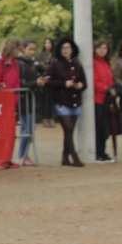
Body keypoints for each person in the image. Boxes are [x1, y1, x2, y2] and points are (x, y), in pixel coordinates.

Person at [46, 38, 86, 167]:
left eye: (68, 48)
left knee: (69, 131)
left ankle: (65, 156)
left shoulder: (77, 64)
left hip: (75, 100)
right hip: (61, 101)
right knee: (68, 128)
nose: (65, 50)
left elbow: (84, 82)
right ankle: (74, 155)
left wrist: (80, 85)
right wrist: (64, 83)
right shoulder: (55, 64)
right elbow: (49, 81)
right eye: (63, 48)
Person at [16, 39, 49, 166]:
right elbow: (20, 82)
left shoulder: (32, 63)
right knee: (27, 127)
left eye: (34, 49)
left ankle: (24, 154)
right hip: (24, 99)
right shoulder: (21, 63)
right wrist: (36, 83)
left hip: (31, 98)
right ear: (23, 49)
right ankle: (21, 155)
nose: (32, 52)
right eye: (30, 49)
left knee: (29, 127)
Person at [91, 39, 117, 163]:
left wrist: (112, 88)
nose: (102, 50)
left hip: (107, 99)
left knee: (106, 127)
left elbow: (110, 79)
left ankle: (102, 151)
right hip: (97, 99)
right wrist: (107, 89)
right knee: (99, 127)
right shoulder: (94, 63)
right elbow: (94, 82)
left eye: (105, 48)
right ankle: (98, 152)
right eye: (100, 47)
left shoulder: (106, 63)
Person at [35, 37, 55, 127]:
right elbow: (39, 66)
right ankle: (45, 118)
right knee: (44, 100)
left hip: (52, 79)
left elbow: (55, 66)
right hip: (43, 79)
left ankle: (50, 118)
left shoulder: (54, 54)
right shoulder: (41, 54)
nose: (47, 45)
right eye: (46, 43)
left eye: (49, 43)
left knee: (51, 100)